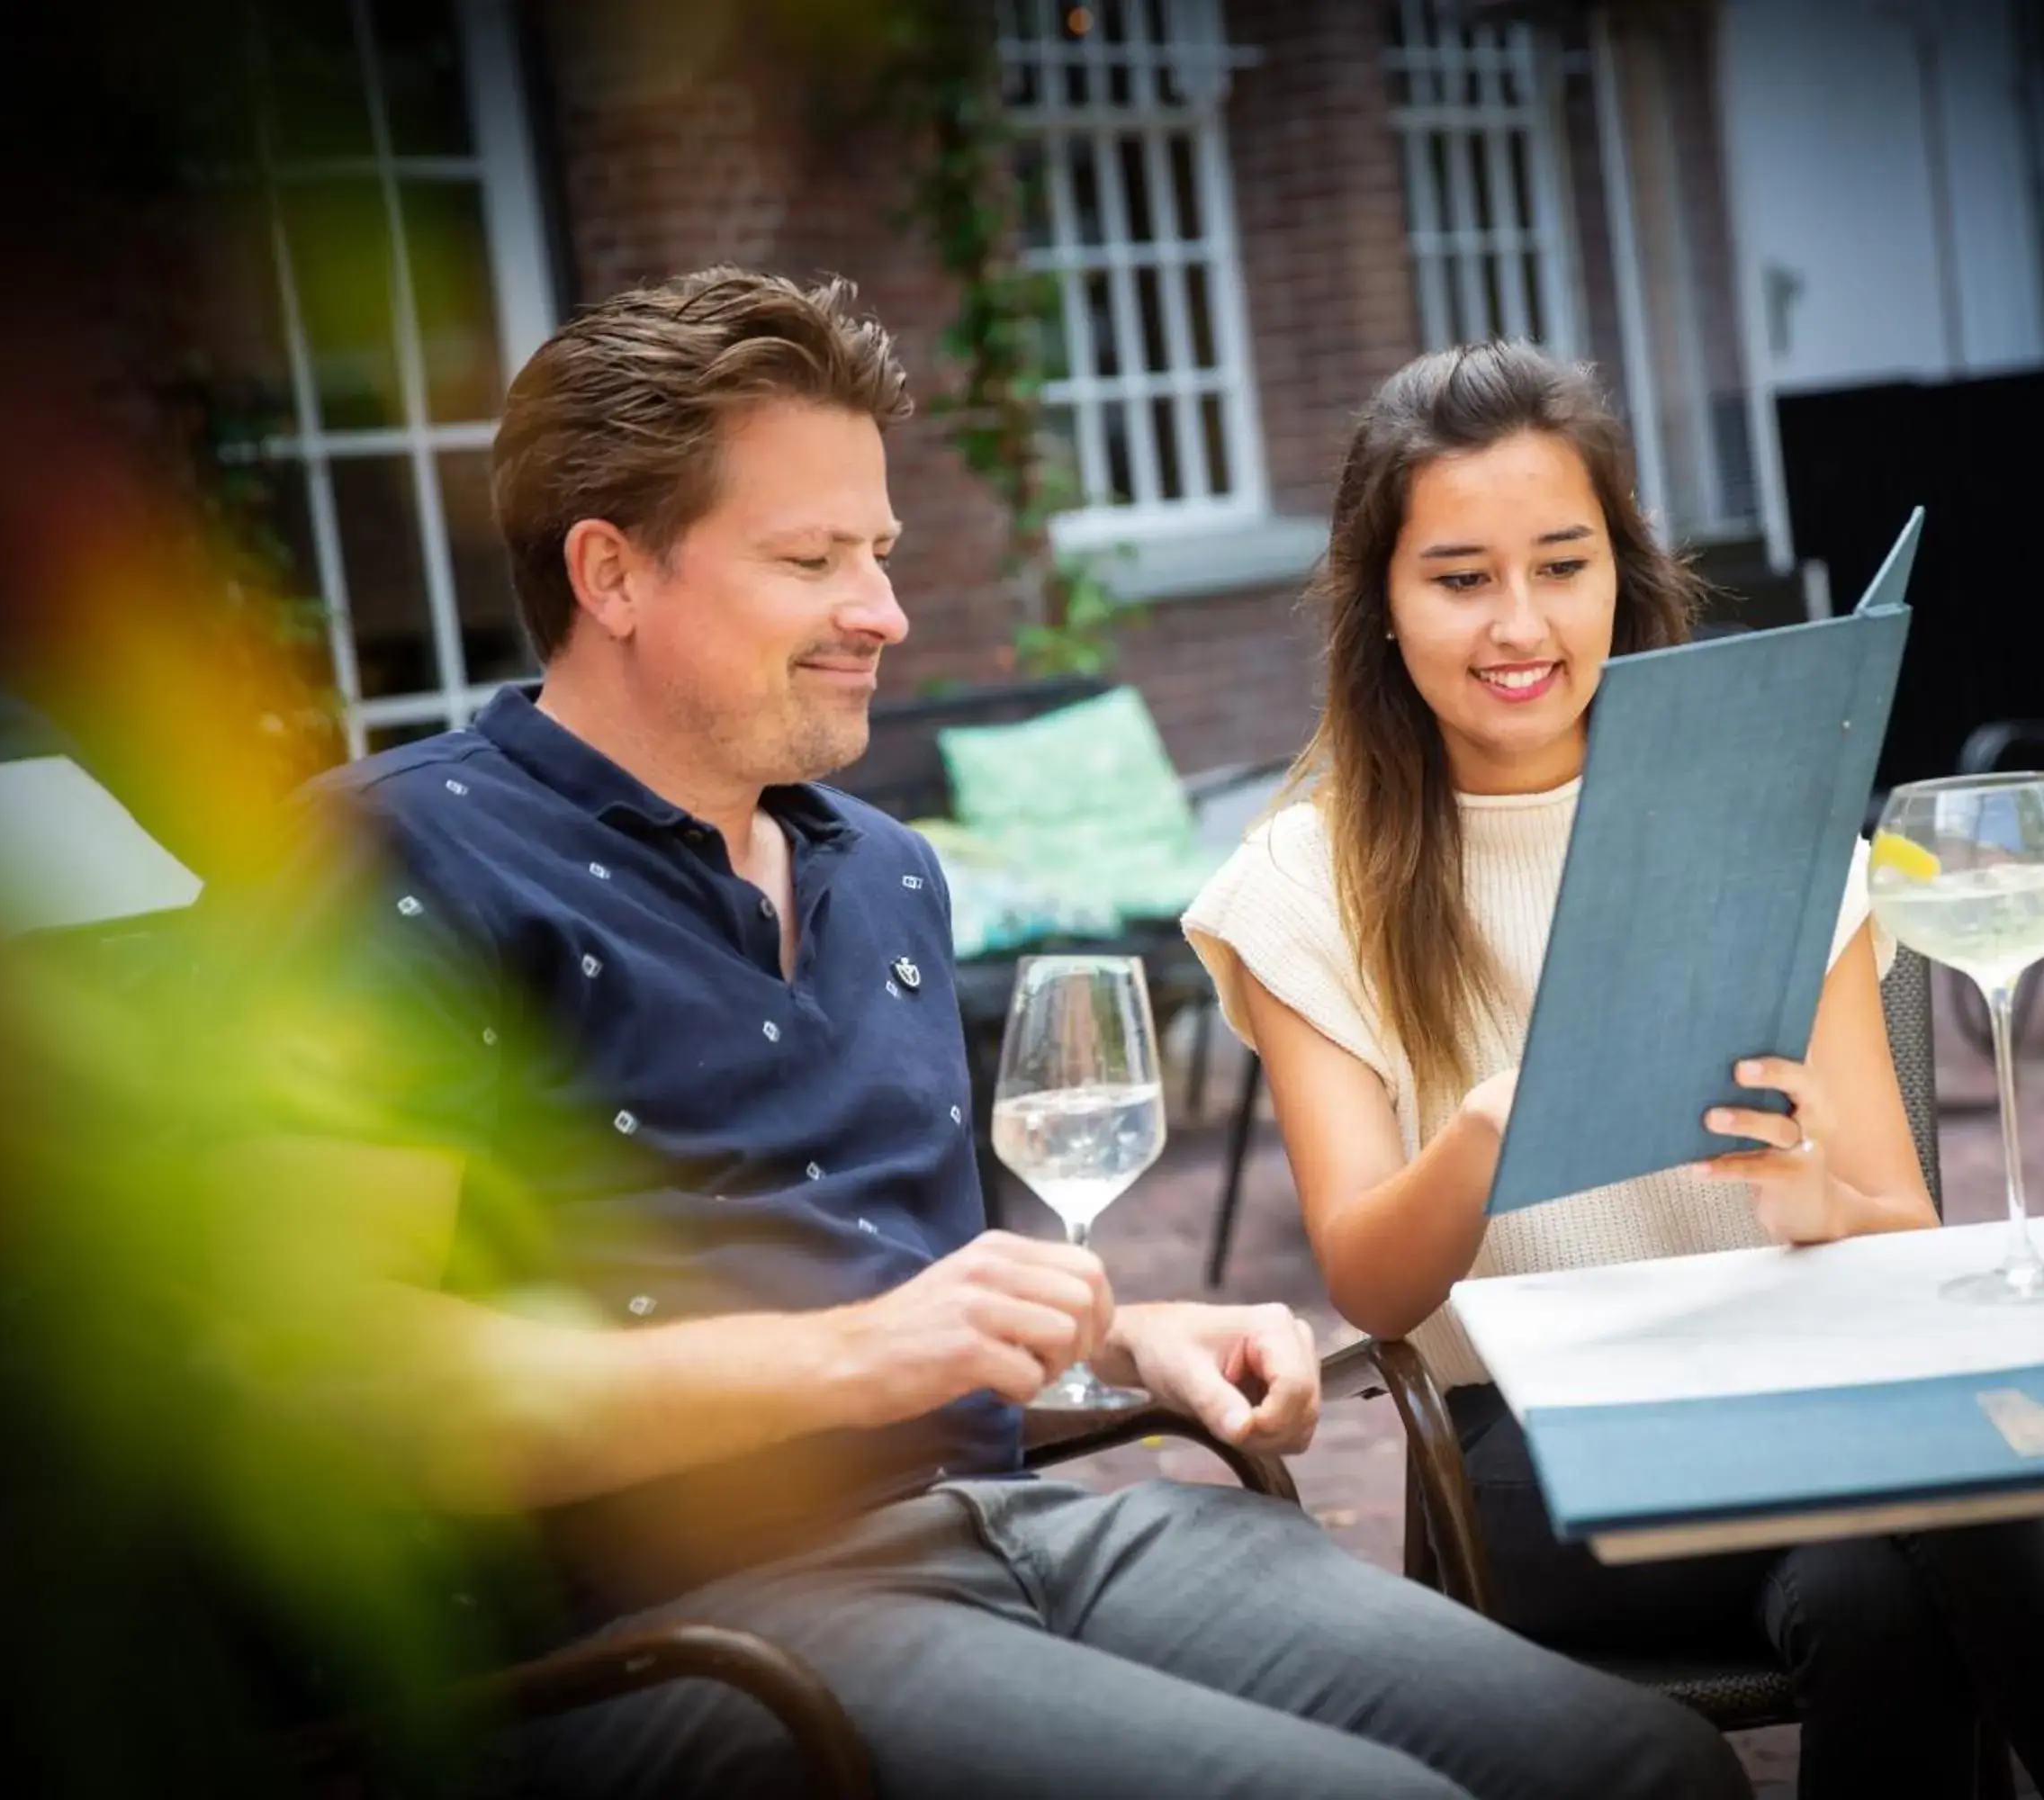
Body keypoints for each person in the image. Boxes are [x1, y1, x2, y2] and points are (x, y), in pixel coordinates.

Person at [218, 274, 1748, 1800]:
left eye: (877, 553)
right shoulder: (395, 865)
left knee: (1643, 1760)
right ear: (611, 573)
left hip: (1011, 1531)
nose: (883, 611)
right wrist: (854, 1357)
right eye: (812, 559)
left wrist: (1117, 1337)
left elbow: (895, 1307)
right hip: (668, 1630)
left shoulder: (879, 872)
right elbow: (329, 1389)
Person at [1184, 340, 2044, 1800]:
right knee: (1962, 1495)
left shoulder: (1761, 820)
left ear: (1624, 575)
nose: (1519, 623)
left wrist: (1817, 1195)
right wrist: (1482, 1133)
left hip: (1806, 1398)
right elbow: (1370, 1286)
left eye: (1563, 565)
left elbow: (1905, 1230)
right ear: (1381, 605)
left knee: (1877, 1599)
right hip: (1535, 1457)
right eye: (1459, 577)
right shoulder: (1308, 883)